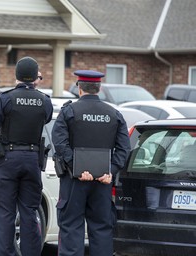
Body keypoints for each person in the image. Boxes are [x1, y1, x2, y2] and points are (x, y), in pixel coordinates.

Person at [0, 56, 53, 256]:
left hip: (7, 160)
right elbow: (45, 118)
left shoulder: (5, 99)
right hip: (32, 161)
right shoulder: (45, 101)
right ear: (36, 76)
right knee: (30, 213)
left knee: (4, 214)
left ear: (16, 75)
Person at [51, 70, 130, 256]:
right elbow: (124, 148)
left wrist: (77, 167)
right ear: (99, 88)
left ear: (79, 88)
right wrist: (110, 171)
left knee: (71, 227)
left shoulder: (69, 112)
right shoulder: (114, 114)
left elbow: (60, 143)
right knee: (102, 229)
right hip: (103, 182)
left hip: (74, 181)